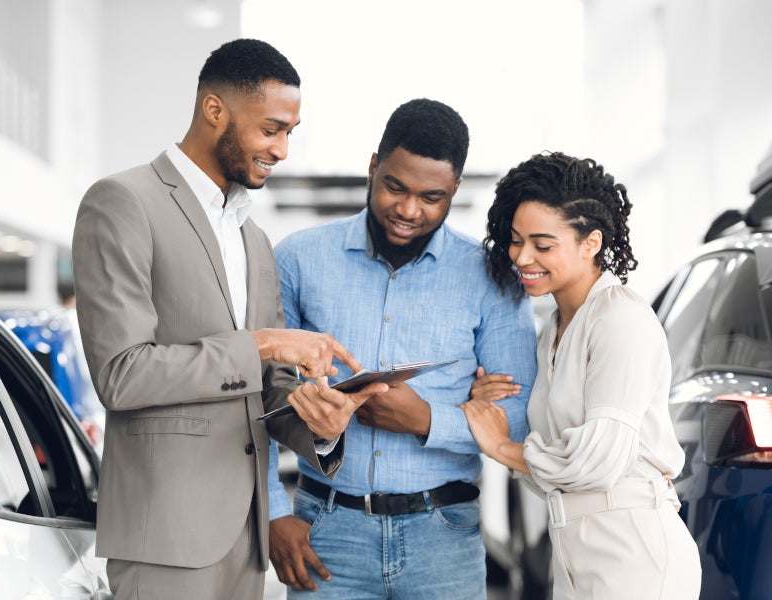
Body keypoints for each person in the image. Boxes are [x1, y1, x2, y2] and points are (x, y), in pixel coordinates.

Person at [71, 39, 386, 600]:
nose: (283, 149)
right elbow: (122, 374)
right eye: (271, 129)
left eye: (290, 132)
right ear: (215, 110)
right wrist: (263, 343)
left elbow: (263, 393)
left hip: (245, 542)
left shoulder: (253, 238)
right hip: (164, 539)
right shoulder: (122, 201)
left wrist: (321, 424)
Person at [265, 98, 538, 599]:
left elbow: (519, 417)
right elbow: (256, 397)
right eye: (395, 186)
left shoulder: (492, 278)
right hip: (325, 533)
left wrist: (425, 419)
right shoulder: (297, 260)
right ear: (373, 167)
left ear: (455, 189)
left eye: (431, 196)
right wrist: (273, 513)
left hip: (444, 538)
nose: (409, 210)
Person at [461, 151, 702, 599]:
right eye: (515, 240)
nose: (522, 256)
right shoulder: (554, 328)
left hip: (633, 552)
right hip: (573, 551)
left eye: (542, 244)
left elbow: (596, 462)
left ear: (591, 242)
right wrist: (488, 405)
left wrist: (499, 445)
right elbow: (551, 473)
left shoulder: (619, 318)